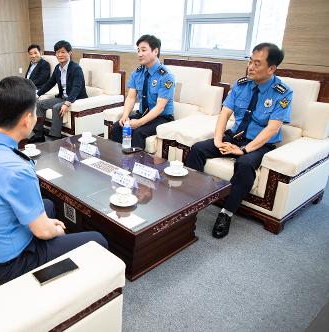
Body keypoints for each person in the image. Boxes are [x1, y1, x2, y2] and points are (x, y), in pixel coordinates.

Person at [0, 76, 107, 287]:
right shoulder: (16, 168)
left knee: (48, 205)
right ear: (27, 119)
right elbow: (43, 232)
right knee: (98, 241)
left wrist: (46, 225)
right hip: (4, 266)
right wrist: (54, 230)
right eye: (36, 113)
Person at [185, 43, 292, 239]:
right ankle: (189, 200)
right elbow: (225, 114)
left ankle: (226, 213)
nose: (250, 67)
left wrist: (243, 150)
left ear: (271, 68)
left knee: (244, 164)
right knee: (198, 149)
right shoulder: (241, 84)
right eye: (250, 61)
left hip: (259, 144)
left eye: (257, 64)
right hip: (233, 136)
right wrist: (218, 141)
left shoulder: (282, 92)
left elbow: (272, 128)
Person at [110, 34, 175, 150]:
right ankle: (116, 161)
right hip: (143, 113)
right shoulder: (137, 72)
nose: (139, 54)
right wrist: (125, 116)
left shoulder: (166, 76)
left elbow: (160, 107)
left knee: (138, 132)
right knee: (116, 127)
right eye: (138, 50)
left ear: (155, 51)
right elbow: (130, 97)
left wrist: (139, 122)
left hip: (161, 117)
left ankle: (135, 165)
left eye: (143, 50)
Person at [28, 40, 87, 142]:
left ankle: (55, 137)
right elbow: (49, 83)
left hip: (75, 98)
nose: (60, 55)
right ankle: (39, 134)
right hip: (62, 97)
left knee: (56, 107)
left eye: (63, 52)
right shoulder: (58, 68)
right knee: (39, 104)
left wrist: (67, 103)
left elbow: (76, 88)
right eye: (57, 52)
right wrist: (37, 94)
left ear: (70, 53)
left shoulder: (76, 68)